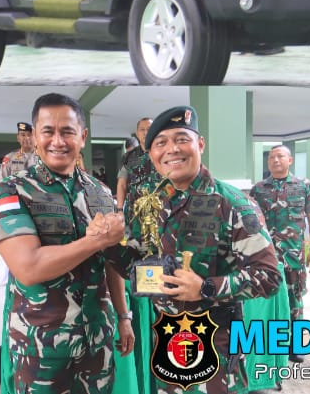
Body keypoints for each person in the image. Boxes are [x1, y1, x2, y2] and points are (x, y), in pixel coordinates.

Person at [109, 105, 280, 393]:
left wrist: (206, 287)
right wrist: (108, 244)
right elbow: (134, 265)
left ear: (200, 144)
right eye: (161, 143)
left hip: (217, 347)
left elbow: (269, 276)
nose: (172, 150)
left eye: (181, 139)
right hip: (168, 342)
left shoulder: (232, 203)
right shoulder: (155, 202)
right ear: (151, 155)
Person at [0, 93, 130, 394]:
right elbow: (28, 267)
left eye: (67, 131)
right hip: (40, 343)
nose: (58, 141)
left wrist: (123, 316)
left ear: (82, 136)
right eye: (48, 131)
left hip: (97, 339)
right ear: (35, 135)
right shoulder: (13, 191)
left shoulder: (101, 193)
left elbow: (112, 262)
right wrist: (94, 241)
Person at [249, 145, 310, 362]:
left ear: (290, 160)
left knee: (295, 300)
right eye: (271, 157)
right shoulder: (258, 189)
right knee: (267, 299)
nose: (275, 160)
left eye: (280, 156)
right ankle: (271, 344)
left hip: (293, 255)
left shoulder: (304, 186)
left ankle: (295, 346)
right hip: (265, 256)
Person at [116, 117, 152, 209]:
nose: (146, 133)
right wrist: (120, 209)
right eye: (142, 130)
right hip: (135, 209)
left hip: (160, 209)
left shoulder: (164, 153)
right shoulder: (128, 157)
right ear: (137, 133)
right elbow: (122, 184)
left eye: (149, 129)